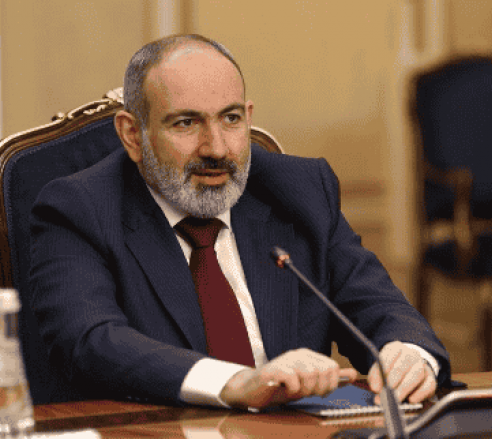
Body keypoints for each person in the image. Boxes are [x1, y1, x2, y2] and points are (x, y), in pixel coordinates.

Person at [29, 34, 450, 410]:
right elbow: (90, 341)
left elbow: (379, 306)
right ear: (133, 135)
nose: (216, 148)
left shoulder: (300, 192)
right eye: (186, 123)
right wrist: (235, 383)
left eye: (231, 119)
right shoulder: (79, 209)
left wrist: (410, 354)